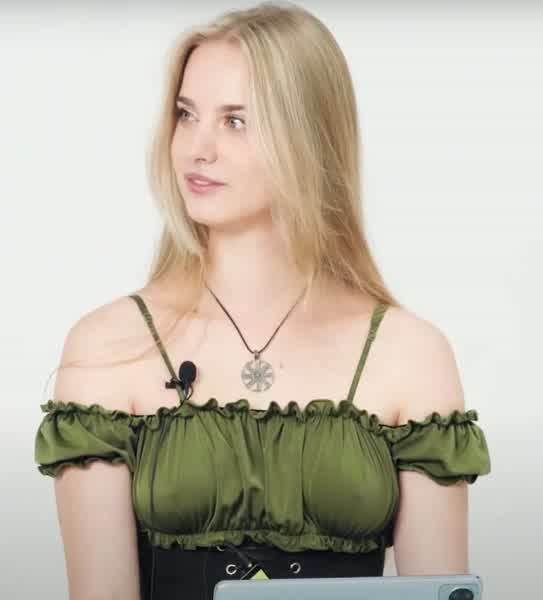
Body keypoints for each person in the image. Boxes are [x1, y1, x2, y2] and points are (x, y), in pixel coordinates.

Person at [34, 3, 491, 599]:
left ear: (309, 139)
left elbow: (435, 592)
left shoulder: (410, 353)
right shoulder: (108, 346)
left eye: (236, 121)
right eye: (186, 115)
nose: (197, 149)